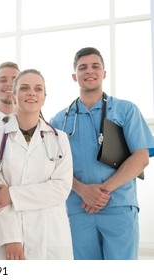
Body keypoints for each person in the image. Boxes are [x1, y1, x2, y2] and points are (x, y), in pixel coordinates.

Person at [51, 47, 154, 260]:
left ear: (104, 73)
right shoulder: (59, 120)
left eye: (95, 66)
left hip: (118, 207)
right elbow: (52, 167)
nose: (90, 71)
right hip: (78, 209)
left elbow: (141, 158)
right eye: (83, 67)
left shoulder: (126, 110)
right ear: (74, 76)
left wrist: (102, 192)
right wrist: (83, 191)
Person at [0, 69, 73, 260]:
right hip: (9, 236)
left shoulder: (59, 139)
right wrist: (11, 238)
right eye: (24, 88)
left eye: (38, 89)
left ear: (44, 97)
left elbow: (61, 188)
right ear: (14, 95)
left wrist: (12, 194)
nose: (32, 93)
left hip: (50, 233)